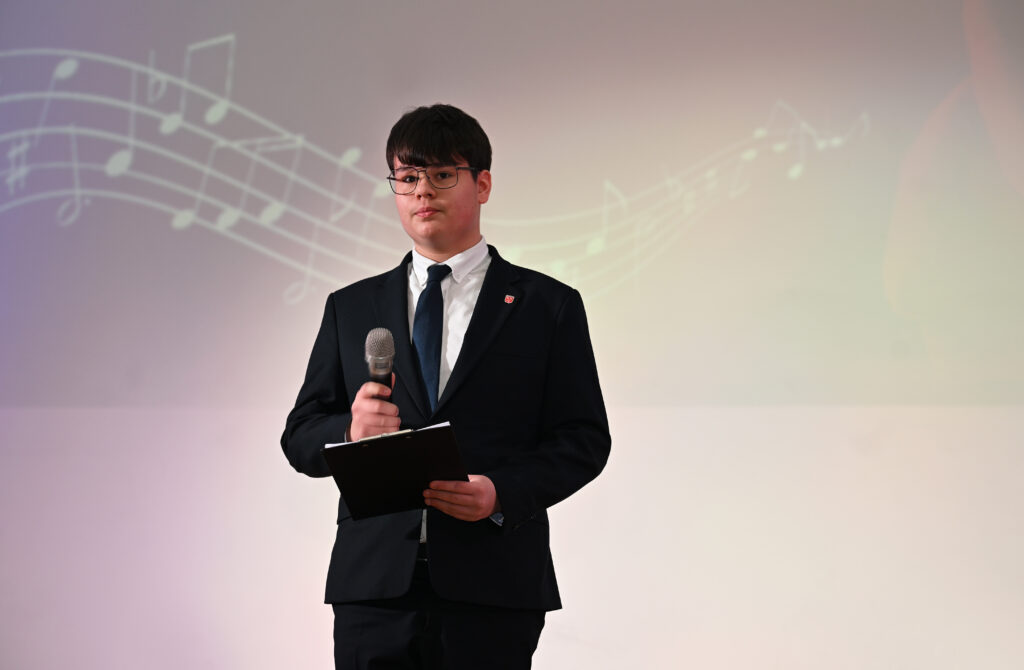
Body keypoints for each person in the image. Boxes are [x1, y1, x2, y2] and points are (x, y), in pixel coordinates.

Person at [281, 103, 611, 669]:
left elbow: (584, 439)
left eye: (441, 174)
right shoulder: (351, 306)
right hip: (374, 586)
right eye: (407, 177)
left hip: (493, 583)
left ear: (482, 184)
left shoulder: (547, 306)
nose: (422, 191)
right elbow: (300, 437)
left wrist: (501, 494)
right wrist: (351, 430)